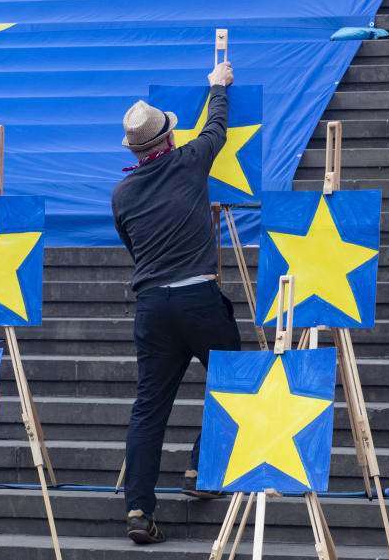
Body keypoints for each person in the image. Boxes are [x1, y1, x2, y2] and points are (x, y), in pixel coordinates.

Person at [111, 61, 241, 545]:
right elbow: (217, 127)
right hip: (198, 298)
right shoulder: (189, 160)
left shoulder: (122, 193)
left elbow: (133, 248)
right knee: (233, 381)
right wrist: (218, 86)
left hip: (151, 305)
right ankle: (200, 470)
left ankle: (139, 510)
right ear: (167, 138)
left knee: (149, 408)